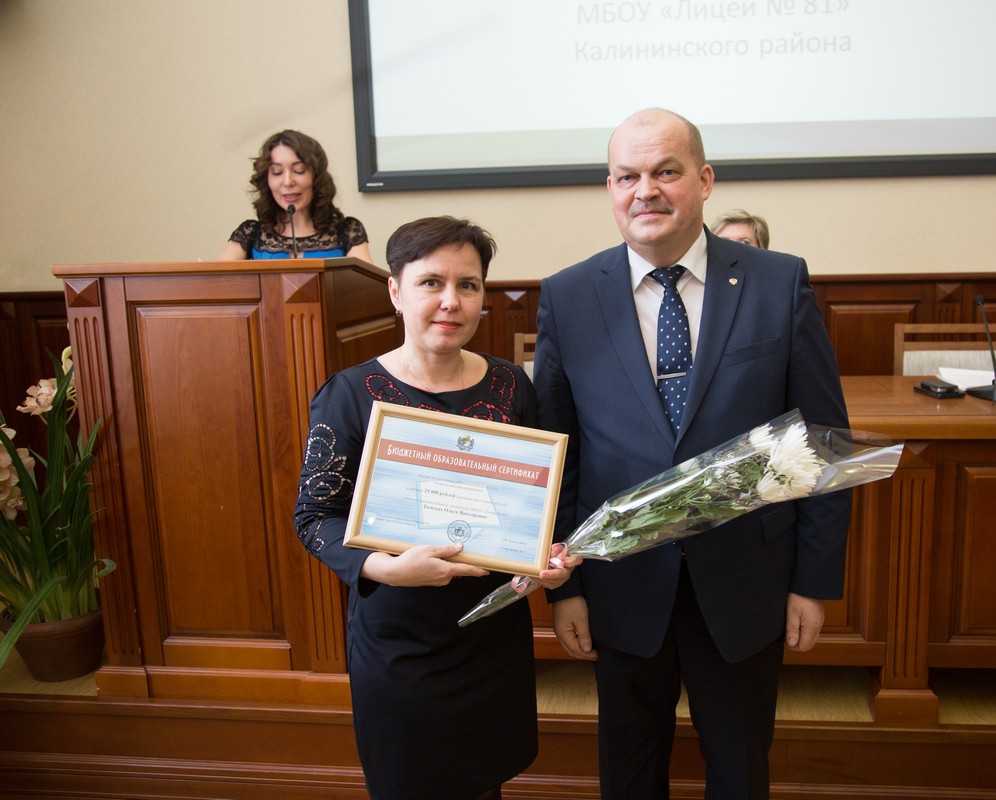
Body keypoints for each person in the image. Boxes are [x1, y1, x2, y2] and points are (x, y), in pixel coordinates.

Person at [535, 108, 851, 799]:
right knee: (629, 773)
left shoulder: (777, 282)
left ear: (704, 181)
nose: (644, 190)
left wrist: (813, 581)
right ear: (610, 189)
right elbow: (559, 455)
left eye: (665, 171)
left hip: (746, 584)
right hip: (620, 587)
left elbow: (821, 438)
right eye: (627, 176)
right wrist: (569, 589)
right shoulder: (568, 296)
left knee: (740, 771)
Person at [294, 216, 579, 800]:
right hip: (400, 642)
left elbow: (534, 505)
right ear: (395, 291)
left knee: (483, 782)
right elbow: (314, 517)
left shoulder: (511, 386)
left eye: (467, 285)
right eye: (431, 282)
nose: (451, 301)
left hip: (490, 636)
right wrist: (387, 568)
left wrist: (546, 556)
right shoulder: (349, 393)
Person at [218, 129, 373, 262]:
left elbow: (365, 285)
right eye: (277, 172)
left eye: (299, 170)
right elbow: (215, 280)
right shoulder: (250, 233)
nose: (288, 182)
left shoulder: (348, 231)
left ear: (316, 177)